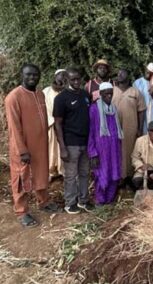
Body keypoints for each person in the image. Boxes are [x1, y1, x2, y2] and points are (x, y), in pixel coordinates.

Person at [5, 63, 59, 227]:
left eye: (35, 75)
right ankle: (22, 211)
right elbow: (14, 128)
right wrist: (22, 150)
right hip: (23, 149)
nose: (32, 77)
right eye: (28, 75)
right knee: (21, 178)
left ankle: (44, 201)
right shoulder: (13, 97)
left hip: (40, 146)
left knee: (41, 173)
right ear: (22, 75)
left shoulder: (40, 94)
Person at [54, 68, 94, 214]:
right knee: (71, 175)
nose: (76, 82)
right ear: (67, 80)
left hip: (85, 142)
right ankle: (70, 203)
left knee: (84, 173)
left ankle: (83, 200)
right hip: (70, 143)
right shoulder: (61, 98)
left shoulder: (85, 95)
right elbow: (57, 124)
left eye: (78, 79)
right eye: (73, 79)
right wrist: (62, 147)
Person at [88, 83, 123, 205]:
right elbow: (91, 132)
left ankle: (110, 199)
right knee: (102, 173)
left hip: (114, 149)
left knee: (114, 172)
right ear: (101, 94)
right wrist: (92, 153)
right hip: (101, 150)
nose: (109, 95)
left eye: (111, 93)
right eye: (106, 93)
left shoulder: (114, 109)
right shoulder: (93, 109)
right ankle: (100, 200)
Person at [112, 68, 146, 188]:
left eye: (122, 72)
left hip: (131, 128)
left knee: (131, 151)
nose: (119, 74)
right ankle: (119, 177)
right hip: (114, 128)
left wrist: (140, 129)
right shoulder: (112, 90)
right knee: (117, 151)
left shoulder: (135, 92)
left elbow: (141, 111)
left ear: (128, 75)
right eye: (118, 73)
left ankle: (130, 177)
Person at [43, 69, 68, 180]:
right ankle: (50, 171)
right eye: (60, 74)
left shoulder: (68, 91)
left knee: (63, 148)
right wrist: (51, 120)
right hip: (51, 124)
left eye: (64, 75)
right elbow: (43, 107)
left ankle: (62, 170)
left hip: (64, 125)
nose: (62, 77)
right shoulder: (46, 91)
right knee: (51, 148)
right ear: (55, 76)